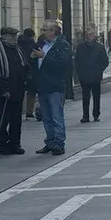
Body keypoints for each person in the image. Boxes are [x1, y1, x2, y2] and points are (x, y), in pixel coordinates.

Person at [31, 20, 71, 156]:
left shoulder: (63, 45)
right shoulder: (41, 44)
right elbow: (35, 64)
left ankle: (59, 144)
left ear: (53, 31)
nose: (43, 32)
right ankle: (50, 141)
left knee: (56, 116)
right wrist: (33, 58)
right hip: (42, 86)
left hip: (55, 86)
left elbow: (62, 64)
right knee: (46, 117)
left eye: (45, 30)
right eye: (42, 29)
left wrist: (44, 57)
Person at [0, 27, 28, 155]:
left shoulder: (18, 50)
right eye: (12, 36)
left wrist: (26, 81)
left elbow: (24, 68)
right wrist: (2, 90)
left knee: (16, 120)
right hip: (3, 94)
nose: (15, 38)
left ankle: (15, 144)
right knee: (3, 120)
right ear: (4, 37)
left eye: (15, 36)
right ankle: (3, 145)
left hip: (17, 92)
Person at [74, 28, 109, 123]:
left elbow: (105, 61)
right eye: (88, 34)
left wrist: (99, 71)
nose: (89, 36)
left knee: (96, 97)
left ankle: (96, 114)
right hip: (84, 76)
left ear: (94, 36)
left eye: (91, 34)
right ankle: (85, 116)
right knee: (85, 97)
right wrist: (79, 72)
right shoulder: (81, 47)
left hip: (96, 77)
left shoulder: (99, 47)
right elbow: (77, 61)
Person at [17, 28, 38, 119]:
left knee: (19, 92)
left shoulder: (17, 44)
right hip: (31, 71)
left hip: (19, 71)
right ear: (32, 35)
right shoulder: (33, 44)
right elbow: (36, 58)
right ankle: (29, 111)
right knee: (31, 92)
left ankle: (18, 111)